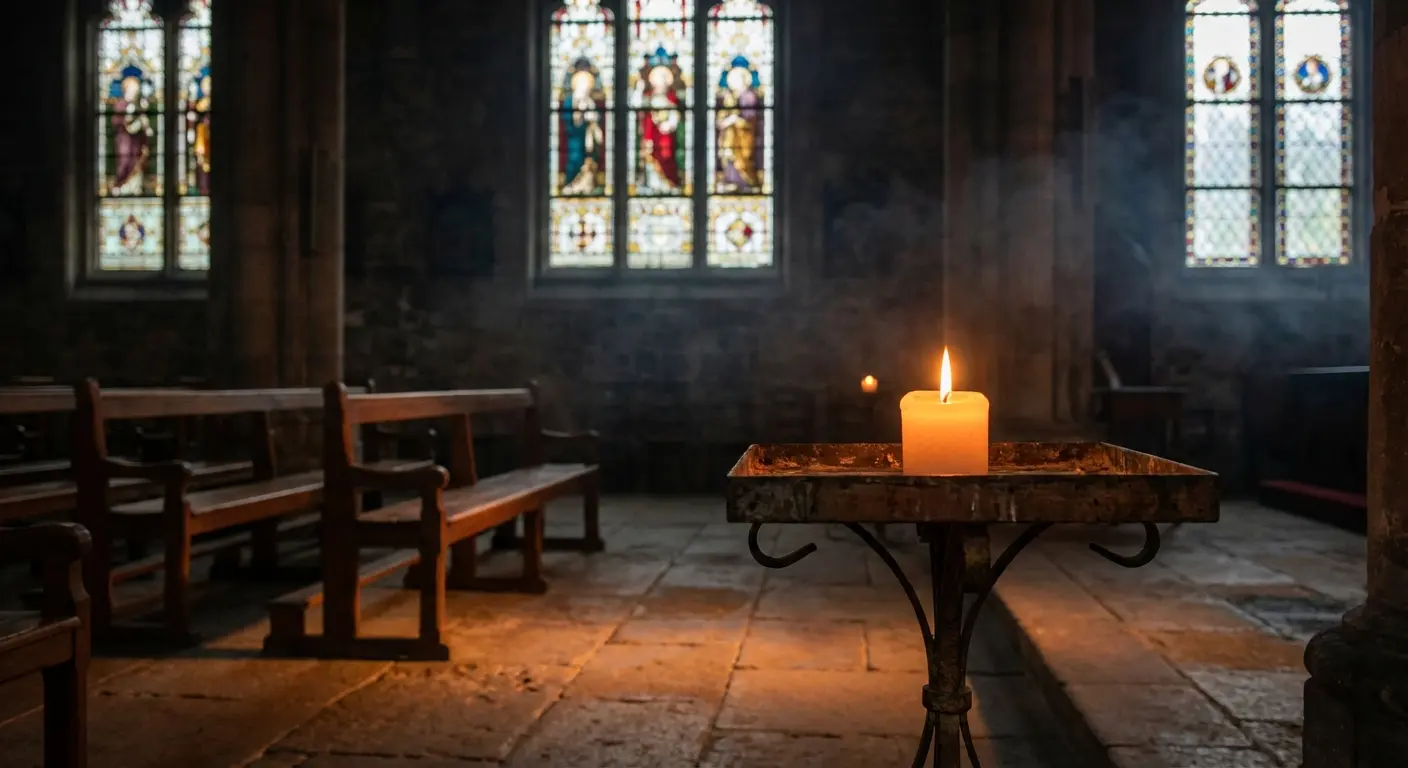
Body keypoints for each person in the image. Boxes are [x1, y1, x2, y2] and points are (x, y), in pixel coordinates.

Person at [715, 57, 764, 193]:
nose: (733, 82)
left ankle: (746, 183)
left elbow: (750, 119)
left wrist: (734, 120)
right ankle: (731, 182)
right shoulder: (730, 96)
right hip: (730, 136)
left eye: (736, 79)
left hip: (743, 136)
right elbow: (723, 115)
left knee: (742, 159)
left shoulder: (748, 96)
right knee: (730, 158)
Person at [110, 65, 154, 196]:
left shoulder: (138, 104)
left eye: (136, 89)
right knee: (124, 160)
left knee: (136, 160)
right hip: (124, 140)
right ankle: (122, 185)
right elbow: (115, 121)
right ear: (125, 89)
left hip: (137, 141)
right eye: (131, 89)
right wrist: (126, 118)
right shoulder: (120, 104)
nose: (134, 92)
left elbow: (143, 122)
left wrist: (142, 121)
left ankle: (135, 187)